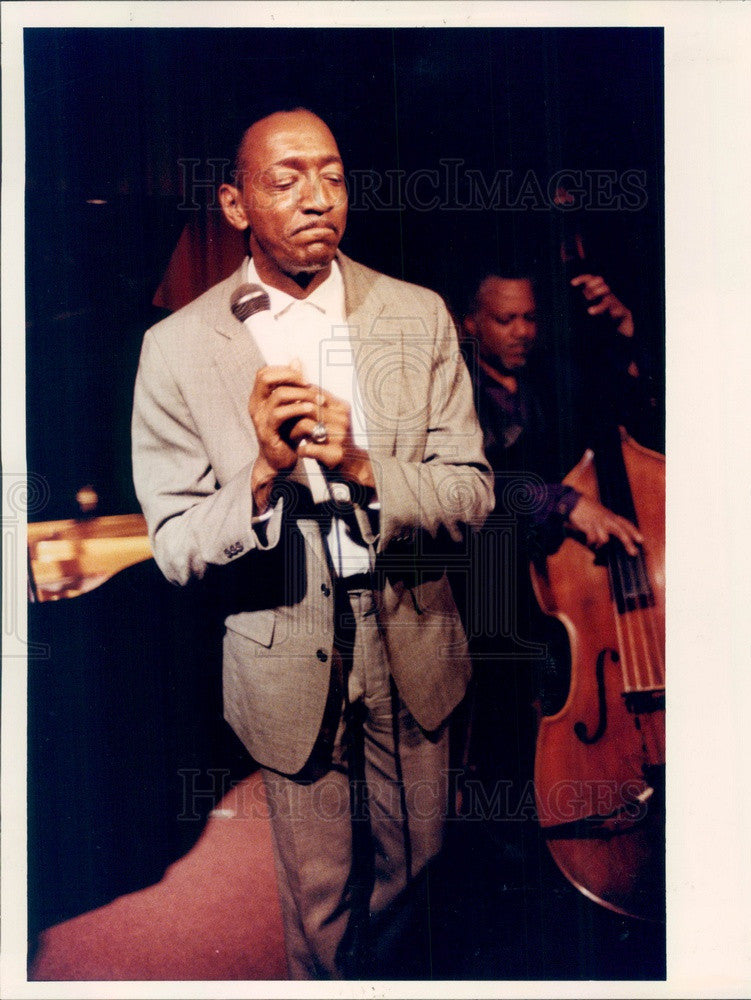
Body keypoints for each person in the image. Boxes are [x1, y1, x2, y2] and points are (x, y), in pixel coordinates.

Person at [131, 109, 493, 979]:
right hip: (282, 650)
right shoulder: (175, 348)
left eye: (331, 176)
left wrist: (365, 464)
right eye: (285, 179)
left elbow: (473, 493)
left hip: (412, 635)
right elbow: (175, 543)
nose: (316, 198)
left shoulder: (418, 314)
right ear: (235, 203)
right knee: (320, 900)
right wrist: (260, 472)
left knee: (420, 875)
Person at [458, 270, 645, 797]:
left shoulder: (550, 378)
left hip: (567, 598)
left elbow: (625, 419)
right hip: (491, 598)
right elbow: (471, 484)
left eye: (530, 317)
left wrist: (623, 333)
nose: (522, 331)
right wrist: (564, 502)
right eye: (505, 319)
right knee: (507, 750)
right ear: (471, 322)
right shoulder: (452, 388)